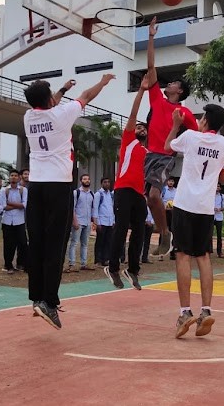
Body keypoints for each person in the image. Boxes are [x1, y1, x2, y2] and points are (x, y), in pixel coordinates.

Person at [24, 74, 115, 329]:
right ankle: (49, 303)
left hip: (36, 187)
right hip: (58, 187)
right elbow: (86, 96)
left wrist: (63, 89)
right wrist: (103, 83)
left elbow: (48, 101)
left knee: (38, 244)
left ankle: (37, 298)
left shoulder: (29, 117)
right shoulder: (61, 115)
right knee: (56, 245)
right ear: (49, 100)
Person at [164, 104, 224, 339]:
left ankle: (185, 312)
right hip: (205, 207)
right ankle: (206, 310)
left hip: (184, 204)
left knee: (182, 255)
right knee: (203, 256)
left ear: (205, 121)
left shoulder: (190, 136)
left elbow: (167, 146)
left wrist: (175, 125)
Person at [143, 17, 198, 258]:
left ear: (181, 91)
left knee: (155, 195)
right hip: (149, 155)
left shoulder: (184, 113)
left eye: (174, 83)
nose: (170, 84)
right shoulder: (156, 98)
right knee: (149, 199)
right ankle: (165, 233)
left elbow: (196, 136)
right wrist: (151, 37)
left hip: (166, 156)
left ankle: (164, 234)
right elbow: (151, 66)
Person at [105, 85, 148, 290]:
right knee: (121, 229)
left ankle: (132, 269)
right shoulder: (128, 139)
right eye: (139, 126)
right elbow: (133, 113)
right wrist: (141, 91)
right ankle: (112, 267)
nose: (141, 129)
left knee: (140, 231)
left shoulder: (147, 150)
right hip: (123, 189)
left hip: (139, 194)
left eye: (144, 128)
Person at [65, 174, 95, 273]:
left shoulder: (91, 194)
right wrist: (74, 221)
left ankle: (84, 263)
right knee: (74, 243)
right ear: (81, 181)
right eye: (84, 179)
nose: (87, 180)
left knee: (85, 244)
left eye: (88, 179)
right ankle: (72, 264)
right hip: (78, 221)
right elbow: (72, 208)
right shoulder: (76, 193)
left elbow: (92, 209)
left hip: (87, 222)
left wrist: (93, 222)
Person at [2, 169, 28, 273]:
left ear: (19, 177)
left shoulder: (23, 190)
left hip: (19, 221)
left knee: (23, 243)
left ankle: (21, 263)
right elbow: (3, 206)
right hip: (7, 221)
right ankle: (8, 265)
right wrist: (17, 205)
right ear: (9, 177)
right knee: (8, 244)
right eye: (12, 175)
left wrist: (10, 203)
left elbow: (24, 205)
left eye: (15, 175)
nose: (13, 177)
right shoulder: (4, 190)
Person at [93, 177, 115, 267]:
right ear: (102, 183)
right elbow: (95, 208)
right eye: (105, 182)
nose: (107, 184)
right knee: (100, 241)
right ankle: (98, 260)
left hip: (109, 221)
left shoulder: (111, 195)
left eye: (108, 182)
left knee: (108, 241)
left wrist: (113, 220)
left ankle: (105, 259)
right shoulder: (98, 194)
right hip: (101, 221)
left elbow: (112, 208)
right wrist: (96, 222)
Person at [212, 184, 224, 259]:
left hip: (219, 217)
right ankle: (208, 251)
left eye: (218, 186)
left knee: (219, 235)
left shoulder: (222, 196)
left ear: (220, 188)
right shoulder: (210, 195)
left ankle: (219, 252)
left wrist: (220, 209)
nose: (217, 188)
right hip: (211, 216)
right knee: (208, 235)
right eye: (216, 186)